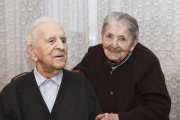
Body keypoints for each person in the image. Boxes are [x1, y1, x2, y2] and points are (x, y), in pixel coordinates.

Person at [73, 11, 171, 120]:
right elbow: (75, 80)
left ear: (134, 43)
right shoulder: (93, 54)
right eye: (109, 36)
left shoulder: (147, 61)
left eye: (122, 39)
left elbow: (160, 108)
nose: (114, 45)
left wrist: (120, 117)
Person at [0, 17, 102, 120]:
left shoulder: (82, 85)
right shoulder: (11, 93)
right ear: (32, 51)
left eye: (63, 40)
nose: (61, 47)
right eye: (51, 41)